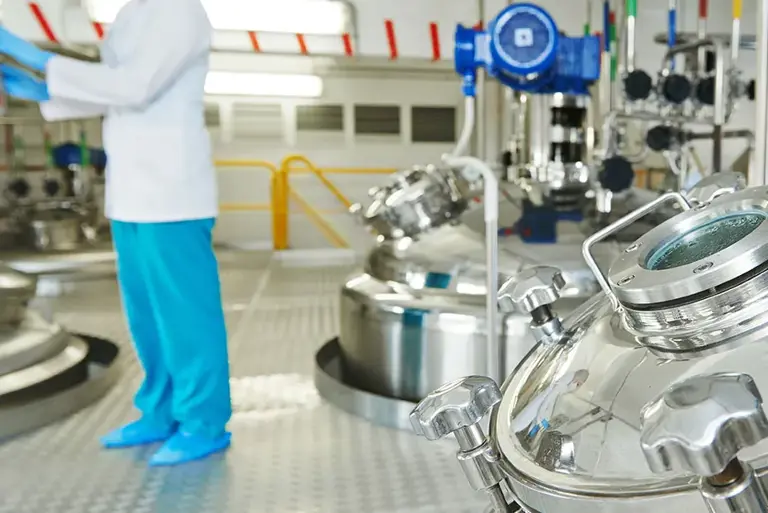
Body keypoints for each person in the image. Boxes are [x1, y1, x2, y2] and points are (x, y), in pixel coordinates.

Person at [0, 0, 232, 466]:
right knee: (146, 315)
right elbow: (112, 90)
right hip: (130, 192)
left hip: (172, 192)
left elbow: (135, 87)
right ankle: (160, 411)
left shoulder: (179, 11)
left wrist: (38, 58)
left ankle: (204, 422)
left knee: (186, 316)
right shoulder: (131, 14)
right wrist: (40, 91)